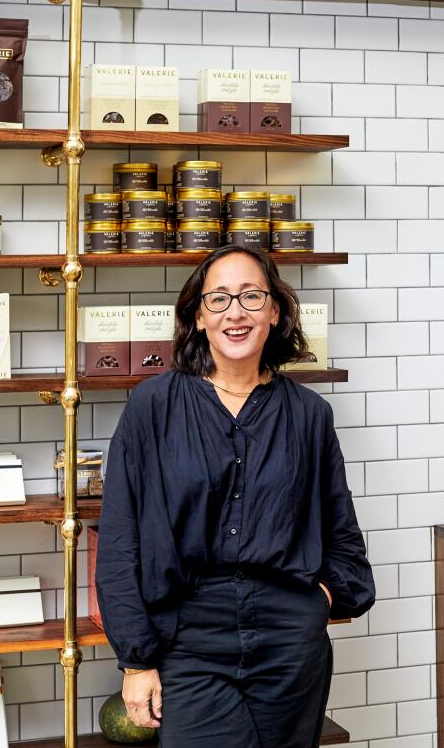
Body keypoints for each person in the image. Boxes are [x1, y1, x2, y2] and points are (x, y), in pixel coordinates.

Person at [96, 245, 375, 747]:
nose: (236, 312)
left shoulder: (309, 414)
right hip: (189, 633)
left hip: (289, 637)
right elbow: (120, 540)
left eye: (251, 296)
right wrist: (136, 658)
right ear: (198, 316)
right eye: (219, 299)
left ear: (275, 311)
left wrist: (324, 598)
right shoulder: (153, 405)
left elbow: (341, 532)